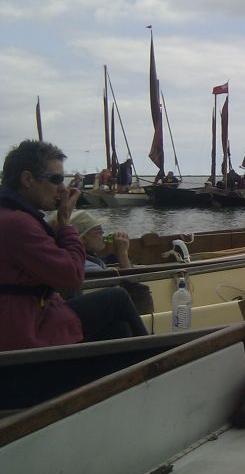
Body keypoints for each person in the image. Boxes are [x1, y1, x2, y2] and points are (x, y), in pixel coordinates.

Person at [0, 140, 147, 351]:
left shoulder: (10, 216)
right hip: (25, 334)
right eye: (56, 179)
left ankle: (142, 366)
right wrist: (66, 225)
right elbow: (71, 276)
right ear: (27, 179)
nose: (62, 188)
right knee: (117, 299)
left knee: (119, 329)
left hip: (32, 320)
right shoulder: (17, 223)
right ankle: (159, 363)